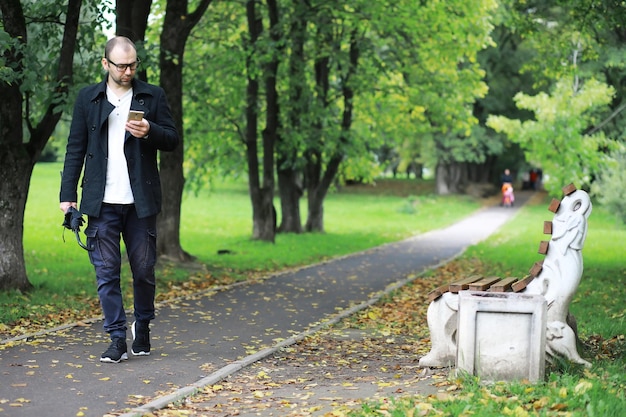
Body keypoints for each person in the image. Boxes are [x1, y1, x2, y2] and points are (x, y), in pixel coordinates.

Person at [59, 36, 179, 363]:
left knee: (143, 269)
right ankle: (116, 337)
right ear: (105, 64)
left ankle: (143, 326)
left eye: (132, 65)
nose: (128, 71)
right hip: (101, 203)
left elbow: (172, 139)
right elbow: (75, 149)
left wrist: (150, 130)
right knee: (107, 272)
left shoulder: (152, 95)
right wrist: (68, 196)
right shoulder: (88, 98)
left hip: (141, 203)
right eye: (121, 65)